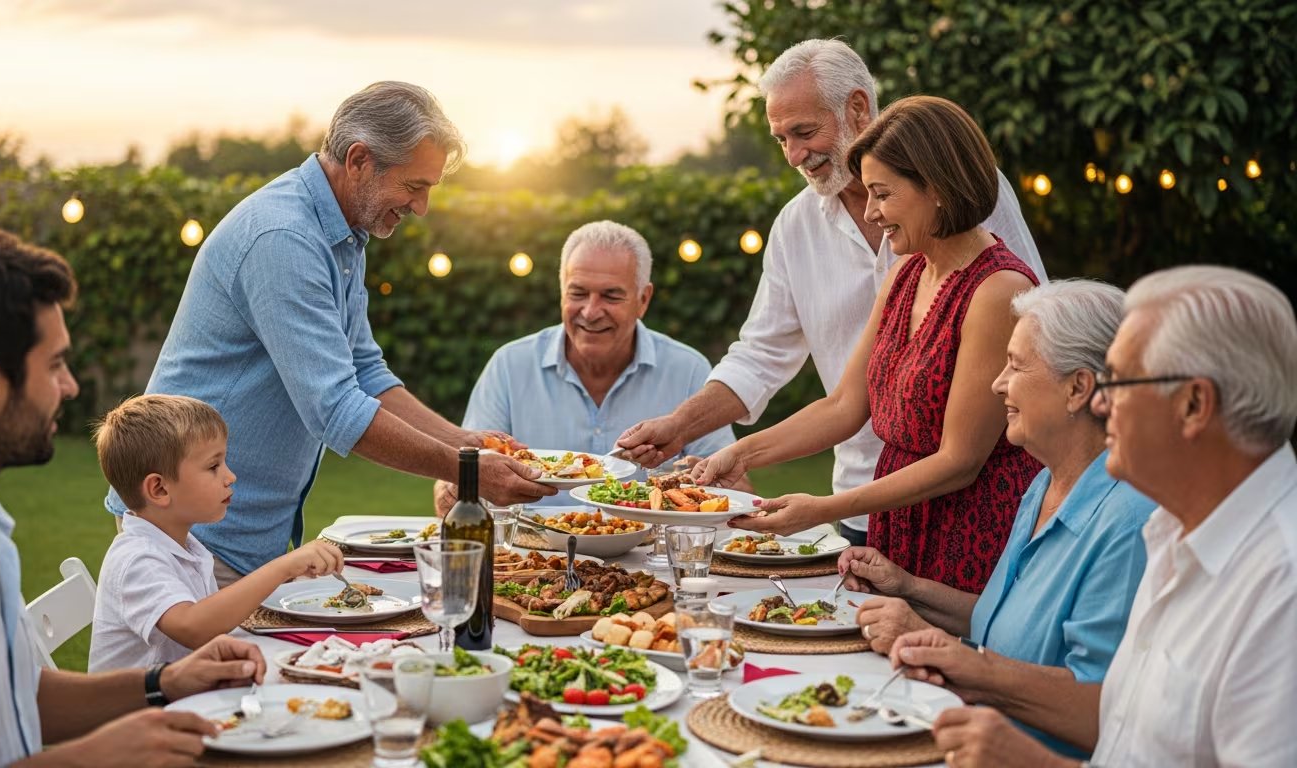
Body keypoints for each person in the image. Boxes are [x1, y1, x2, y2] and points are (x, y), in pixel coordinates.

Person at [104, 81, 554, 586]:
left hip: (241, 531)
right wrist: (465, 471)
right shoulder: (285, 237)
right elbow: (337, 409)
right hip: (191, 534)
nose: (422, 207)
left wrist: (465, 443)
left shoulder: (342, 233)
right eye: (414, 186)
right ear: (359, 160)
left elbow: (364, 372)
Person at [616, 38, 1045, 548]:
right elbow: (830, 393)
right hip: (871, 506)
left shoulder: (986, 245)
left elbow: (1036, 333)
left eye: (803, 131)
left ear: (858, 107)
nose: (795, 155)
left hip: (975, 515)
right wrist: (709, 440)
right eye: (781, 140)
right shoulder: (851, 252)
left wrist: (819, 508)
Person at [0, 227, 269, 768]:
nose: (69, 387)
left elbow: (19, 696)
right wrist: (89, 759)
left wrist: (164, 681)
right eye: (54, 365)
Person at [900, 266, 1297, 767]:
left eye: (1123, 380)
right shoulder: (1175, 530)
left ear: (1194, 404)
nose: (1103, 402)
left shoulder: (1281, 582)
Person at [689, 95, 1040, 593]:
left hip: (969, 536)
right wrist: (742, 455)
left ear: (936, 188)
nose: (871, 212)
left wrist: (822, 511)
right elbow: (845, 405)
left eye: (882, 193)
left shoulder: (998, 290)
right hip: (897, 525)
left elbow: (959, 461)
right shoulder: (907, 273)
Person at [836, 280, 1150, 758]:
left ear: (1078, 388)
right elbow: (1005, 625)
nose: (997, 382)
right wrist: (908, 588)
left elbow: (1104, 708)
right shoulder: (1044, 484)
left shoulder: (1127, 521)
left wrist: (962, 662)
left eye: (1016, 365)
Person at [434, 221, 737, 512]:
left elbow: (735, 492)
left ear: (643, 300)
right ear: (561, 291)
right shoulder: (510, 365)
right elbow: (454, 483)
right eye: (578, 293)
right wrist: (454, 489)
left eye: (611, 295)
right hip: (530, 556)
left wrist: (704, 484)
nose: (591, 312)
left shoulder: (688, 369)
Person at [89, 394, 346, 671]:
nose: (230, 476)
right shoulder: (137, 560)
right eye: (214, 466)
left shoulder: (185, 545)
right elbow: (193, 627)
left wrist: (287, 576)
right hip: (145, 710)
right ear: (160, 490)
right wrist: (281, 568)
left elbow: (212, 626)